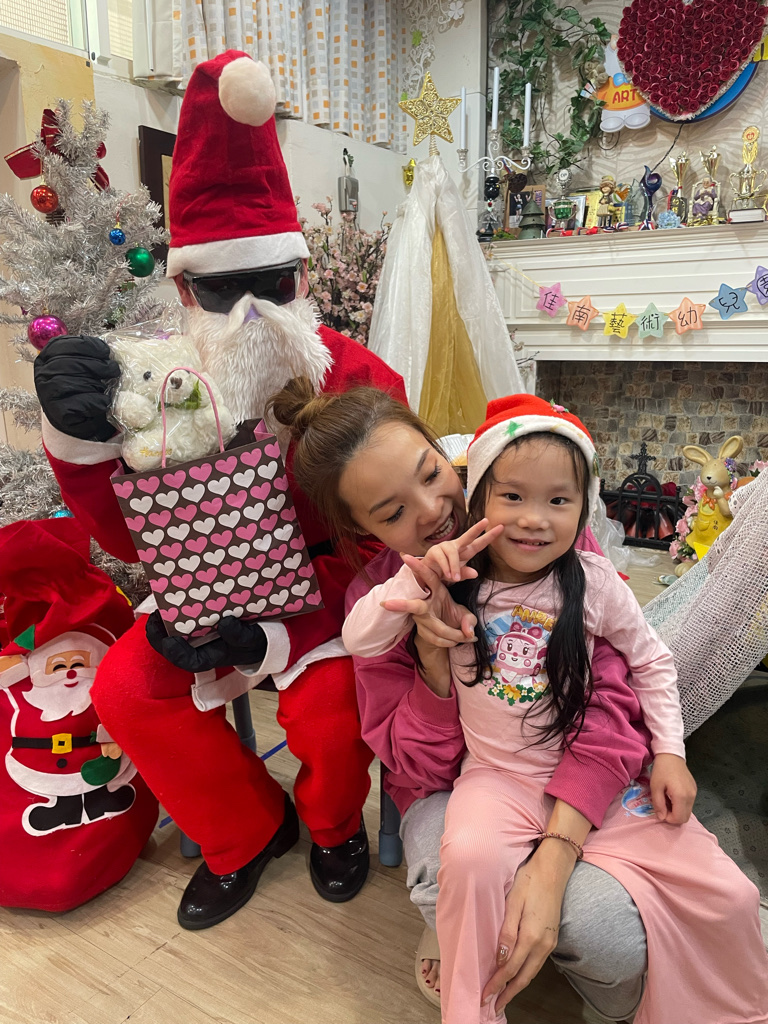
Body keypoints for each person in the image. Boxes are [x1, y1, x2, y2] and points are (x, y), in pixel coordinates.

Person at [32, 51, 406, 930]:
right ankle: (246, 830)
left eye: (272, 285)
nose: (251, 312)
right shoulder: (157, 383)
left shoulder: (358, 378)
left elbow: (392, 538)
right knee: (128, 691)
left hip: (327, 599)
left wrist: (286, 626)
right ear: (183, 287)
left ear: (302, 278)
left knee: (328, 712)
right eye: (223, 287)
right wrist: (78, 443)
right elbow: (125, 538)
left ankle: (333, 827)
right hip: (199, 598)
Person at [341, 392, 768, 1024]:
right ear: (483, 496)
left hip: (594, 779)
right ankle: (471, 1009)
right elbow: (359, 638)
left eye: (558, 501)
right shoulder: (454, 579)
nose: (534, 520)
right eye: (513, 497)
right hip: (493, 778)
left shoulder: (591, 582)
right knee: (469, 861)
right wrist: (419, 577)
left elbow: (650, 663)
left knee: (729, 894)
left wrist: (671, 753)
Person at [266, 378, 665, 1020]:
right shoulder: (385, 600)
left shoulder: (539, 537)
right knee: (452, 877)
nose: (431, 512)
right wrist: (433, 665)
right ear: (361, 529)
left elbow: (613, 695)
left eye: (432, 474)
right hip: (458, 785)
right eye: (391, 513)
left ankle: (578, 977)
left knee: (608, 937)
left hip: (563, 761)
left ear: (447, 451)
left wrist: (559, 847)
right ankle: (461, 936)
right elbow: (420, 770)